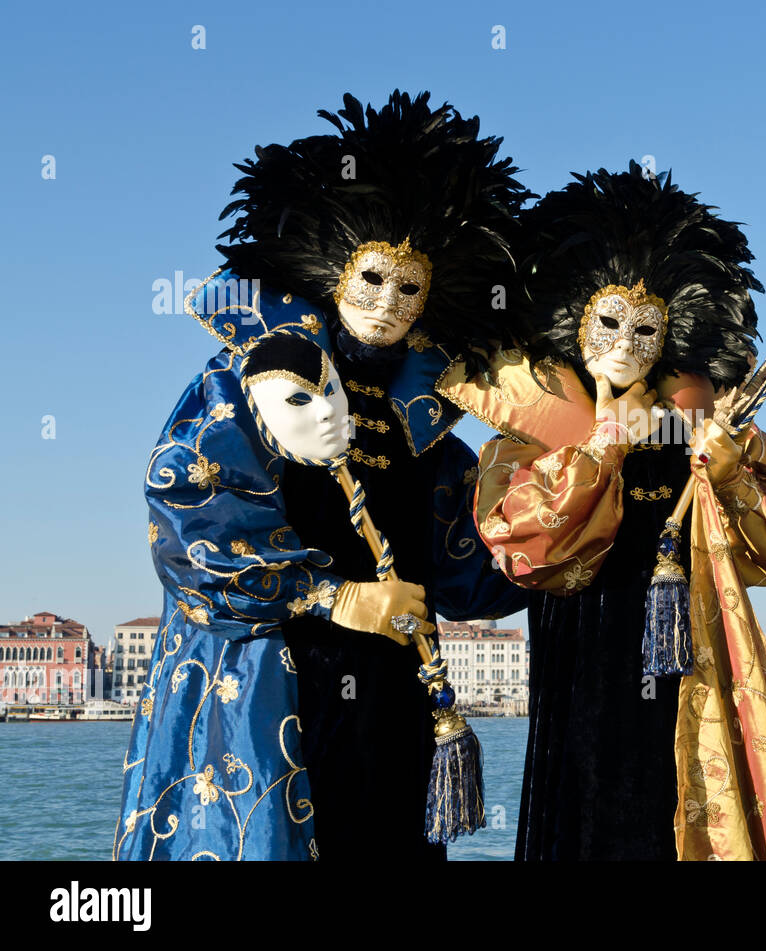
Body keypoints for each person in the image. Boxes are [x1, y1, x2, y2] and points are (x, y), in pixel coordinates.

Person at [113, 90, 529, 861]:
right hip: (274, 684)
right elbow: (186, 513)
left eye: (410, 287)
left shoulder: (424, 422)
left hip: (391, 700)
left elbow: (474, 563)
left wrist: (564, 505)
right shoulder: (263, 376)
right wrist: (332, 596)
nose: (388, 303)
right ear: (335, 269)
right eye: (373, 277)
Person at [453, 163, 766, 860]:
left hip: (691, 691)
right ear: (572, 318)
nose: (624, 346)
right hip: (580, 692)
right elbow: (522, 546)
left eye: (646, 329)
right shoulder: (526, 447)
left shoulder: (705, 439)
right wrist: (603, 445)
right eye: (608, 322)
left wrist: (731, 477)